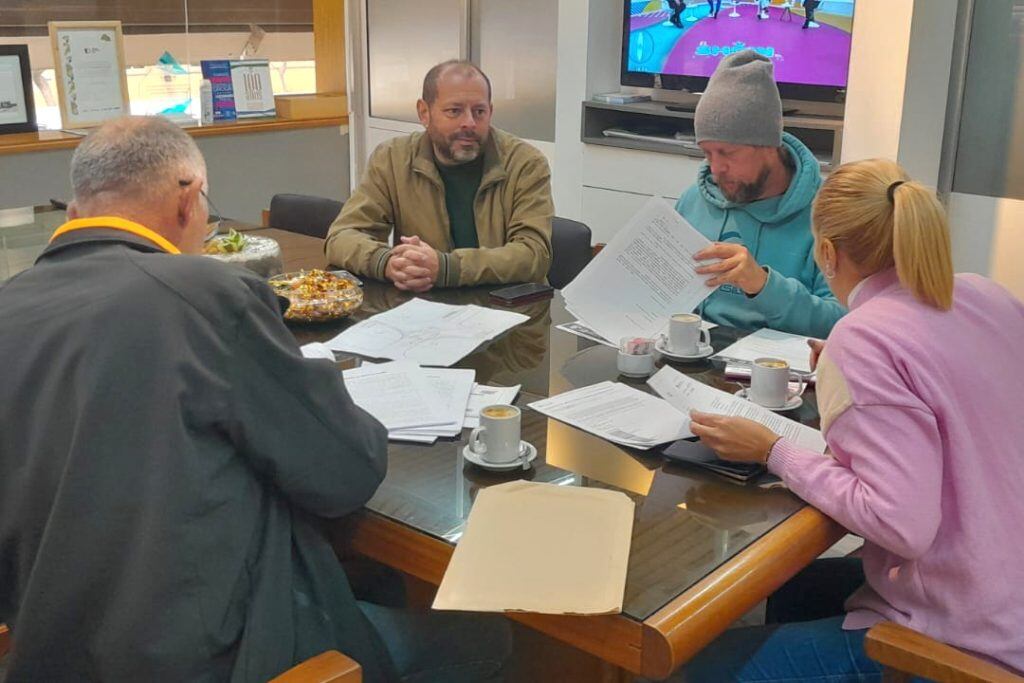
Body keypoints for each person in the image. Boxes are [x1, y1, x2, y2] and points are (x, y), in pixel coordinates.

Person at [0, 116, 511, 682]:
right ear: (188, 199)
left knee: (370, 580)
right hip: (213, 659)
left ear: (76, 214)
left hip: (51, 652)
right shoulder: (201, 295)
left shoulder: (10, 306)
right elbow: (345, 472)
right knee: (486, 635)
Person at [682, 158, 1024, 680]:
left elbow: (899, 524)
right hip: (1004, 588)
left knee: (699, 666)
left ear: (827, 252)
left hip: (968, 643)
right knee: (794, 587)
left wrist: (773, 450)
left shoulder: (866, 337)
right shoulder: (984, 294)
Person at [325, 60, 553, 291]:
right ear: (424, 113)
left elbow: (534, 256)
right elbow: (342, 237)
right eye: (454, 111)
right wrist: (387, 262)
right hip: (426, 307)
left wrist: (446, 268)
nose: (469, 123)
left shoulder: (525, 163)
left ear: (490, 112)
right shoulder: (392, 159)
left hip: (508, 309)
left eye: (479, 111)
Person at [676, 49, 845, 338]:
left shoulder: (828, 215)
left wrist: (764, 286)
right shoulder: (694, 199)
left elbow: (841, 324)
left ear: (769, 145)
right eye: (707, 153)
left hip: (773, 372)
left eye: (728, 153)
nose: (716, 169)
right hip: (687, 356)